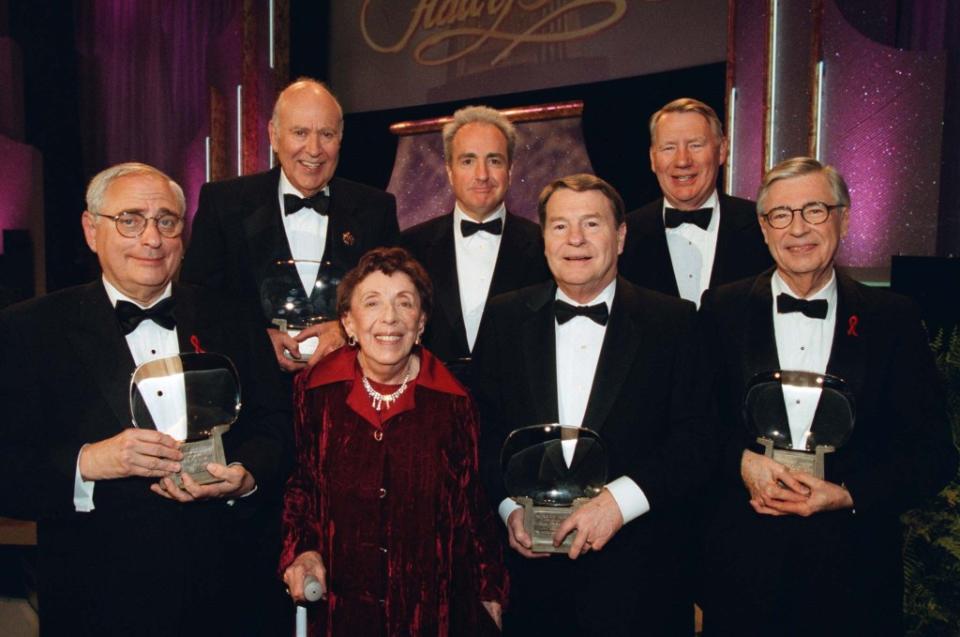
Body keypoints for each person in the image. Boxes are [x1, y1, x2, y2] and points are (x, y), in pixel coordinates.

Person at [0, 163, 291, 636]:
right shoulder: (28, 330)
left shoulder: (234, 317)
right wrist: (89, 462)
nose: (151, 239)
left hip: (231, 596)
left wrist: (245, 476)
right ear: (92, 231)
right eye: (130, 220)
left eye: (167, 221)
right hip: (99, 602)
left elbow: (275, 425)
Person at [698, 157, 958, 637]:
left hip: (854, 575)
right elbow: (693, 427)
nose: (798, 228)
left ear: (844, 217)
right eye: (781, 215)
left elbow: (932, 454)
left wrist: (847, 495)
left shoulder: (893, 317)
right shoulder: (720, 309)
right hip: (742, 573)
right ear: (763, 227)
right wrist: (742, 463)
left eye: (815, 210)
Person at [473, 174, 716, 636]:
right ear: (543, 238)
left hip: (641, 578)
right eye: (560, 226)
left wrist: (618, 504)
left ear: (620, 236)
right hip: (533, 582)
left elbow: (698, 438)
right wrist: (509, 508)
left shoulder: (674, 321)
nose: (576, 240)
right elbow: (483, 427)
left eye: (592, 224)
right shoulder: (505, 316)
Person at [279, 247, 507, 636]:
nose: (389, 318)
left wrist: (490, 589)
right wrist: (301, 549)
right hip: (342, 610)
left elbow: (471, 504)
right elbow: (301, 484)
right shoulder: (313, 391)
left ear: (420, 324)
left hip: (431, 610)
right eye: (372, 303)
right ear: (348, 322)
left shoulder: (455, 401)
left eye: (405, 304)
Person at [181, 77, 399, 372]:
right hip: (254, 397)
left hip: (348, 391)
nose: (314, 149)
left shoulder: (376, 209)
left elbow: (395, 299)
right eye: (300, 132)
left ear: (341, 138)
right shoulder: (223, 203)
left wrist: (348, 330)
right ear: (274, 135)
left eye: (326, 134)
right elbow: (199, 302)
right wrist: (257, 340)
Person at [401, 105, 549, 375]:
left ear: (510, 170)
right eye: (468, 161)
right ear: (449, 171)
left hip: (518, 408)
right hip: (433, 403)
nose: (482, 175)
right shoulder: (409, 247)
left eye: (494, 160)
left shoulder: (545, 246)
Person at [618, 97, 770, 306]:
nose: (682, 161)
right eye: (669, 148)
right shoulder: (623, 235)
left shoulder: (763, 226)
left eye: (695, 145)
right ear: (653, 158)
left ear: (722, 150)